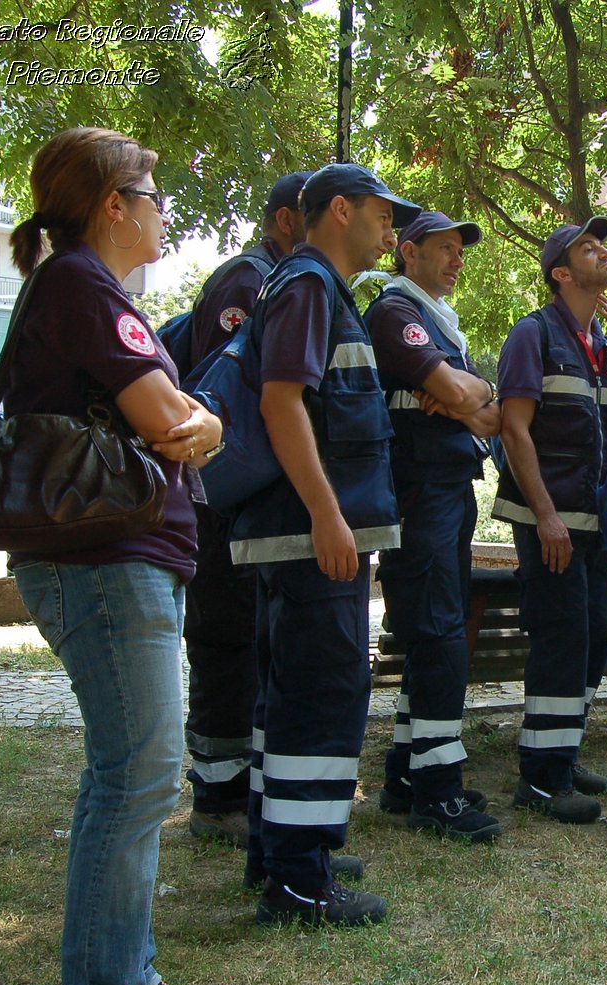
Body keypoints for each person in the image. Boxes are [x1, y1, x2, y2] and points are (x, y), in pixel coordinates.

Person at [5, 126, 221, 985]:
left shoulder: (92, 288)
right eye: (153, 192)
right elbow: (168, 420)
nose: (164, 210)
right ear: (111, 206)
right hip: (102, 562)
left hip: (121, 559)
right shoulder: (81, 286)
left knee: (132, 779)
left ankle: (124, 979)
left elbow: (180, 427)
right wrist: (202, 417)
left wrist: (195, 424)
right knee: (136, 782)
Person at [236, 163, 419, 927]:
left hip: (309, 535)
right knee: (321, 695)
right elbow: (282, 404)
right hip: (313, 537)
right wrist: (327, 515)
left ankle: (281, 848)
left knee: (295, 693)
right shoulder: (310, 287)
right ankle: (300, 882)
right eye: (382, 215)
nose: (392, 230)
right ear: (338, 210)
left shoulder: (313, 288)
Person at [176, 170, 311, 850]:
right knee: (224, 639)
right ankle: (218, 793)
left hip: (251, 498)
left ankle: (246, 785)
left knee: (250, 641)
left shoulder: (289, 280)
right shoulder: (246, 281)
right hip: (219, 498)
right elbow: (218, 392)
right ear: (287, 219)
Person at [364, 210, 503, 841]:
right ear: (408, 252)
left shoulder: (437, 322)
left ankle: (405, 773)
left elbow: (490, 411)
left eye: (460, 251)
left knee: (435, 634)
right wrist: (458, 395)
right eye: (443, 249)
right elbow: (464, 394)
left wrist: (461, 397)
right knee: (440, 633)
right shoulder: (397, 314)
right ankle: (438, 792)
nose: (456, 260)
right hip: (419, 495)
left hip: (447, 490)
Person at [495, 216, 607, 824]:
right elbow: (514, 430)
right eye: (587, 248)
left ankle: (563, 751)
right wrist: (545, 517)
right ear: (562, 273)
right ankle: (542, 780)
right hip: (551, 522)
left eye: (602, 245)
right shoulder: (534, 335)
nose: (603, 252)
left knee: (594, 637)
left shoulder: (600, 345)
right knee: (561, 638)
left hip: (595, 525)